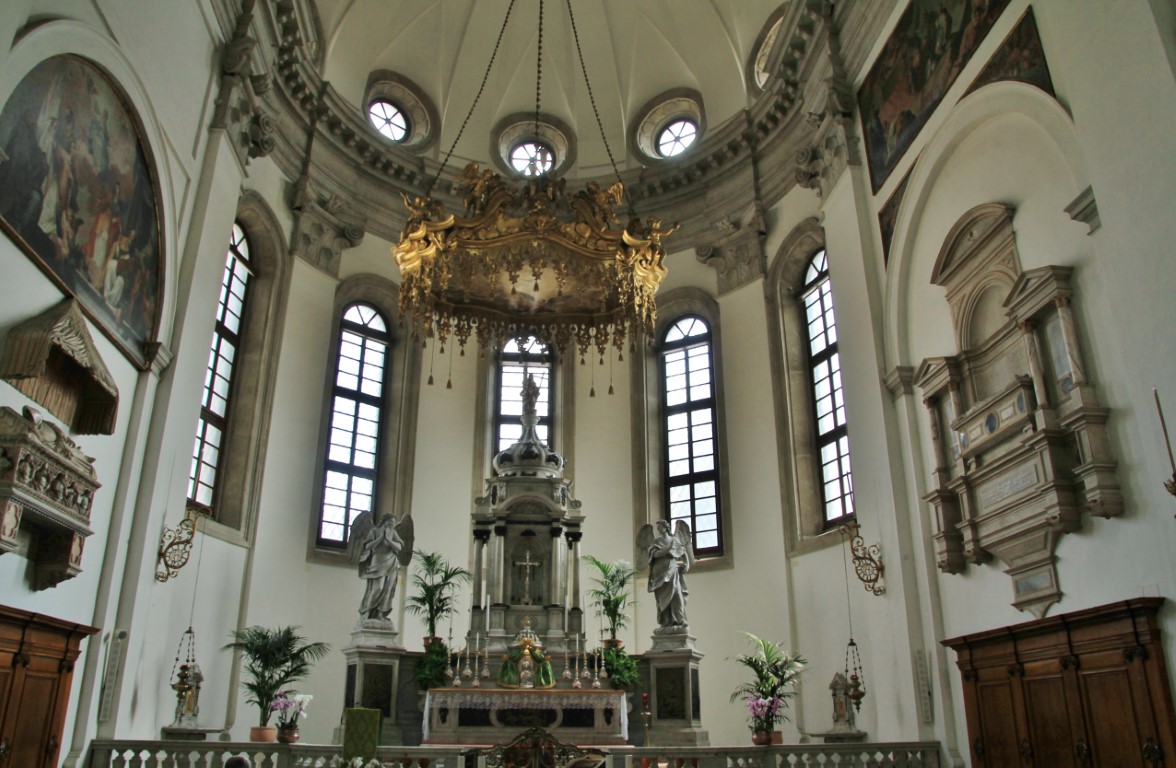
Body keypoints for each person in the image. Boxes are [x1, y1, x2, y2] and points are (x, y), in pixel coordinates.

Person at [642, 519, 693, 629]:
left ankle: (680, 620)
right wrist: (667, 549)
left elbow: (683, 552)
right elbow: (655, 554)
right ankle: (666, 621)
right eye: (657, 527)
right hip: (659, 575)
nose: (658, 529)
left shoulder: (674, 540)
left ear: (665, 528)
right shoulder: (656, 541)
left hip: (672, 571)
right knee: (662, 599)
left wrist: (687, 564)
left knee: (677, 594)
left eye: (660, 526)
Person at [357, 516, 405, 621]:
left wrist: (388, 540)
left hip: (391, 561)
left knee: (387, 589)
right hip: (378, 561)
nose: (392, 524)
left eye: (394, 522)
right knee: (377, 588)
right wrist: (380, 539)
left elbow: (399, 547)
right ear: (385, 521)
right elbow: (367, 546)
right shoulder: (374, 531)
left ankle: (380, 614)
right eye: (391, 521)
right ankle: (367, 612)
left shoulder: (393, 532)